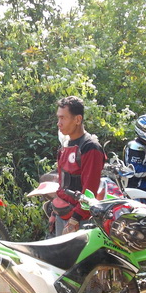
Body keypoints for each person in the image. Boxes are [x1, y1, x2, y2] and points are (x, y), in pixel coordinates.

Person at [54, 96, 106, 235]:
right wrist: (54, 213)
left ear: (78, 119)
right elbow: (62, 183)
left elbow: (90, 190)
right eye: (58, 118)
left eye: (63, 118)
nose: (59, 123)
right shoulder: (65, 145)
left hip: (80, 220)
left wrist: (75, 219)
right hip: (62, 213)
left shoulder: (90, 147)